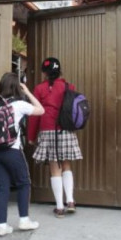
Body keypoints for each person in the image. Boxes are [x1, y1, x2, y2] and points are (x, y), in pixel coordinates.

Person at [0, 72, 45, 237]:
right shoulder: (19, 105)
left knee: (2, 187)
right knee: (23, 183)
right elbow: (41, 110)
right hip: (12, 151)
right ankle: (24, 220)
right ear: (17, 88)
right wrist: (28, 92)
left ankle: (2, 226)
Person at [27, 57, 83, 218]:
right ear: (59, 71)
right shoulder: (68, 86)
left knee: (54, 168)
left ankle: (59, 207)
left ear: (44, 73)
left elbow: (35, 115)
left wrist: (31, 136)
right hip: (65, 130)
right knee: (66, 165)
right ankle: (70, 201)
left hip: (47, 130)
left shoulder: (39, 89)